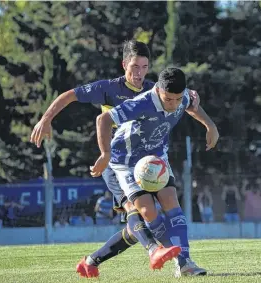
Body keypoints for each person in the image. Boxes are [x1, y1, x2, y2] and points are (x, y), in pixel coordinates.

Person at [31, 41, 203, 276]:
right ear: (124, 65)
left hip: (147, 161)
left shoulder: (156, 91)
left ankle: (91, 261)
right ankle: (163, 253)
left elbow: (179, 98)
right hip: (116, 162)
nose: (139, 73)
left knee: (137, 228)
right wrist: (45, 119)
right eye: (134, 66)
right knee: (137, 209)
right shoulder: (108, 89)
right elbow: (69, 96)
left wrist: (193, 99)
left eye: (144, 67)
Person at [91, 67, 219, 277]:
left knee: (172, 203)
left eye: (177, 99)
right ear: (158, 89)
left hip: (156, 157)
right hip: (127, 161)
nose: (173, 104)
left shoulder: (181, 97)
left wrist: (210, 126)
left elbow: (192, 106)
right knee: (148, 211)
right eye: (168, 99)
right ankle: (174, 257)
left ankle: (185, 263)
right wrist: (104, 154)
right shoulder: (142, 103)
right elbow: (103, 120)